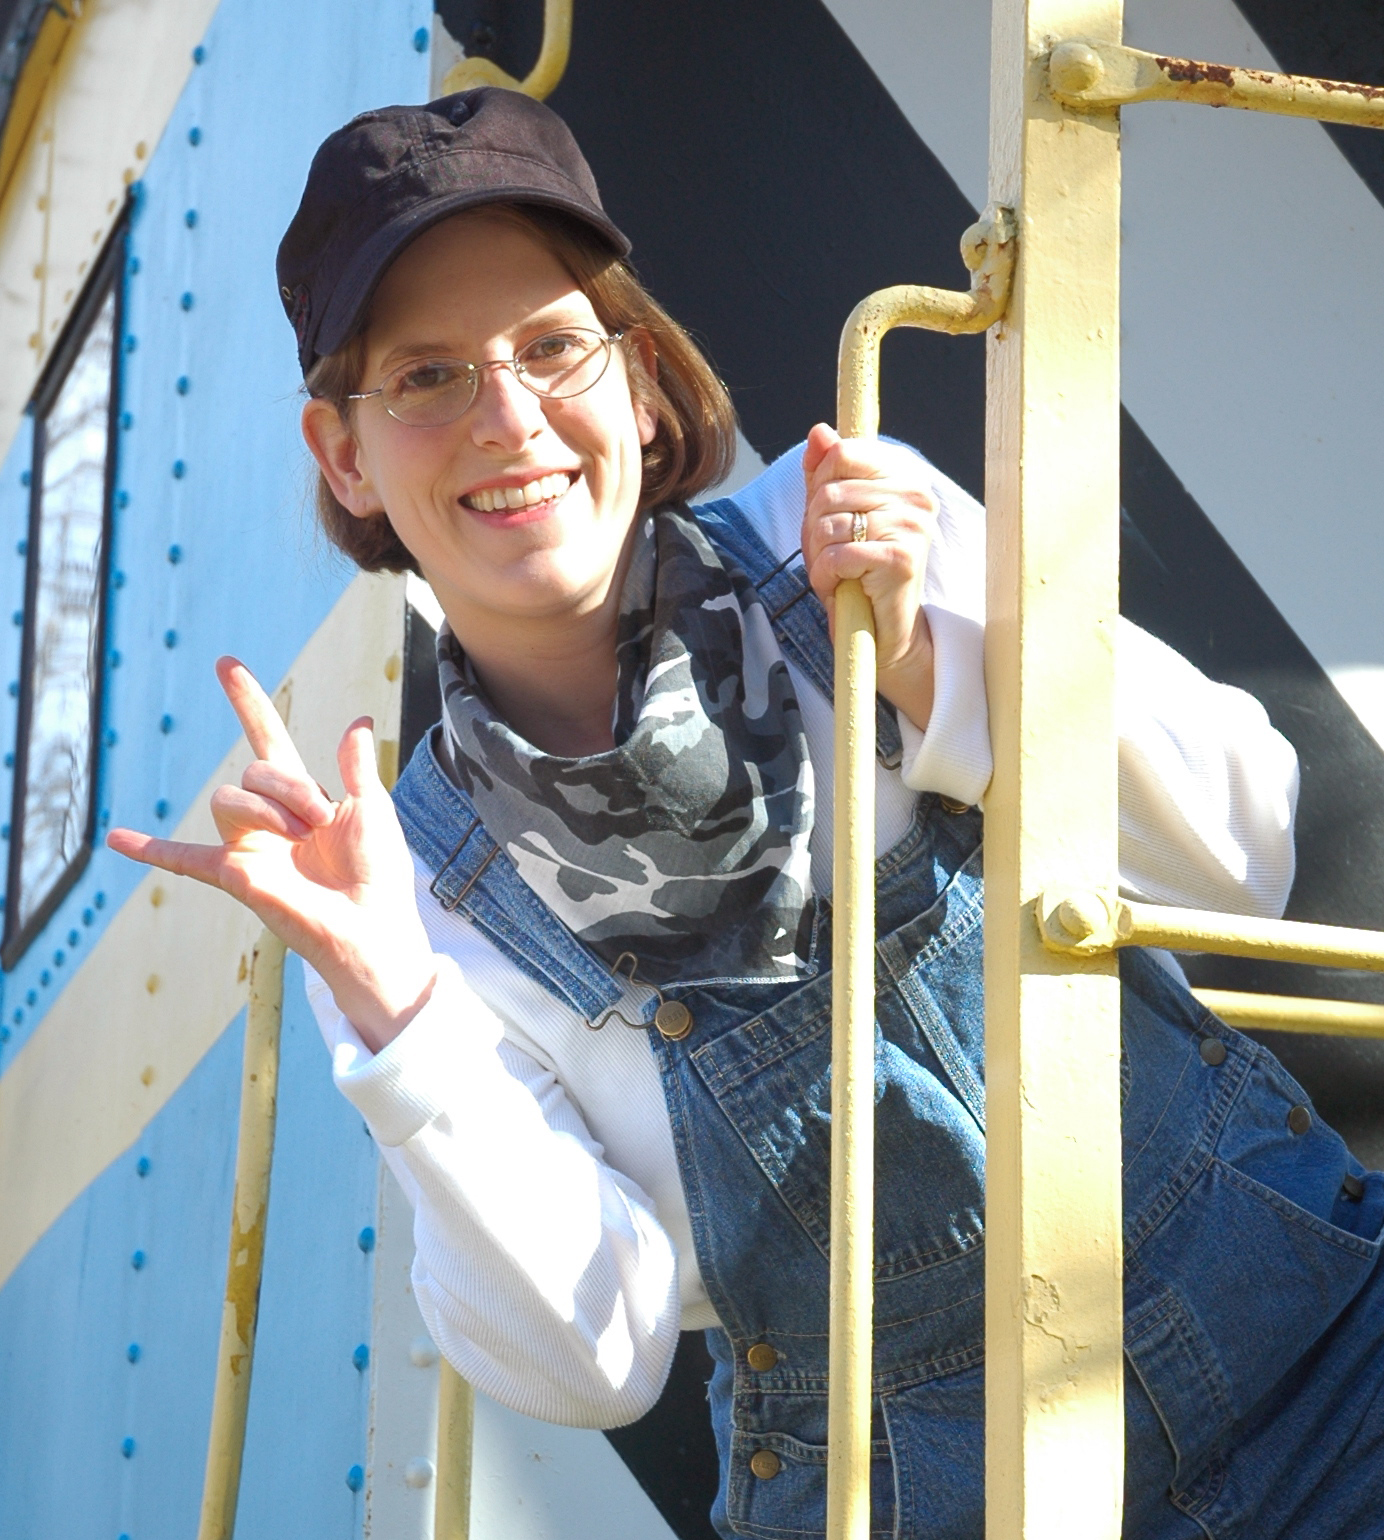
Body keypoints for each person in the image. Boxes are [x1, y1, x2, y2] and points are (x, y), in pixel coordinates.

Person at [109, 89, 1384, 1540]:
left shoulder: (842, 532)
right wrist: (399, 1009)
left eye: (549, 346)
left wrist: (930, 666)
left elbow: (1242, 843)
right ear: (345, 455)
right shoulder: (406, 891)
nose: (509, 417)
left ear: (640, 378)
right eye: (425, 377)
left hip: (1321, 1364)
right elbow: (597, 1356)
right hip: (903, 1504)